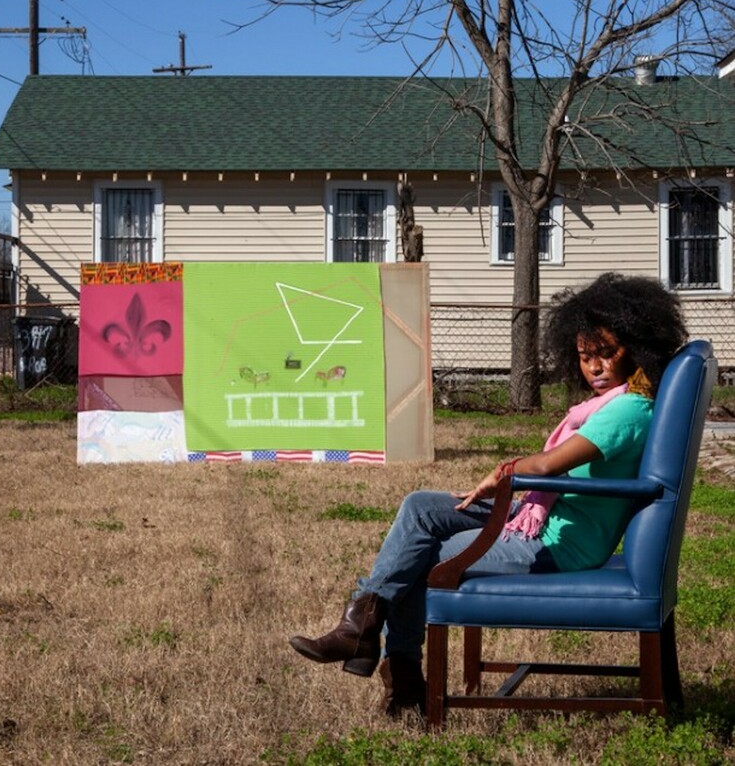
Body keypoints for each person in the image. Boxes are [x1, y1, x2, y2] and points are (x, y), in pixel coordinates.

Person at [289, 273, 688, 716]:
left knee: (426, 554)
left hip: (559, 545)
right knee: (421, 507)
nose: (594, 367)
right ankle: (364, 627)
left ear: (635, 347)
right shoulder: (609, 404)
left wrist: (501, 475)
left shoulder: (629, 410)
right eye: (584, 356)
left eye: (606, 354)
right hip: (539, 520)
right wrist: (509, 484)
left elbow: (549, 466)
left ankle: (395, 670)